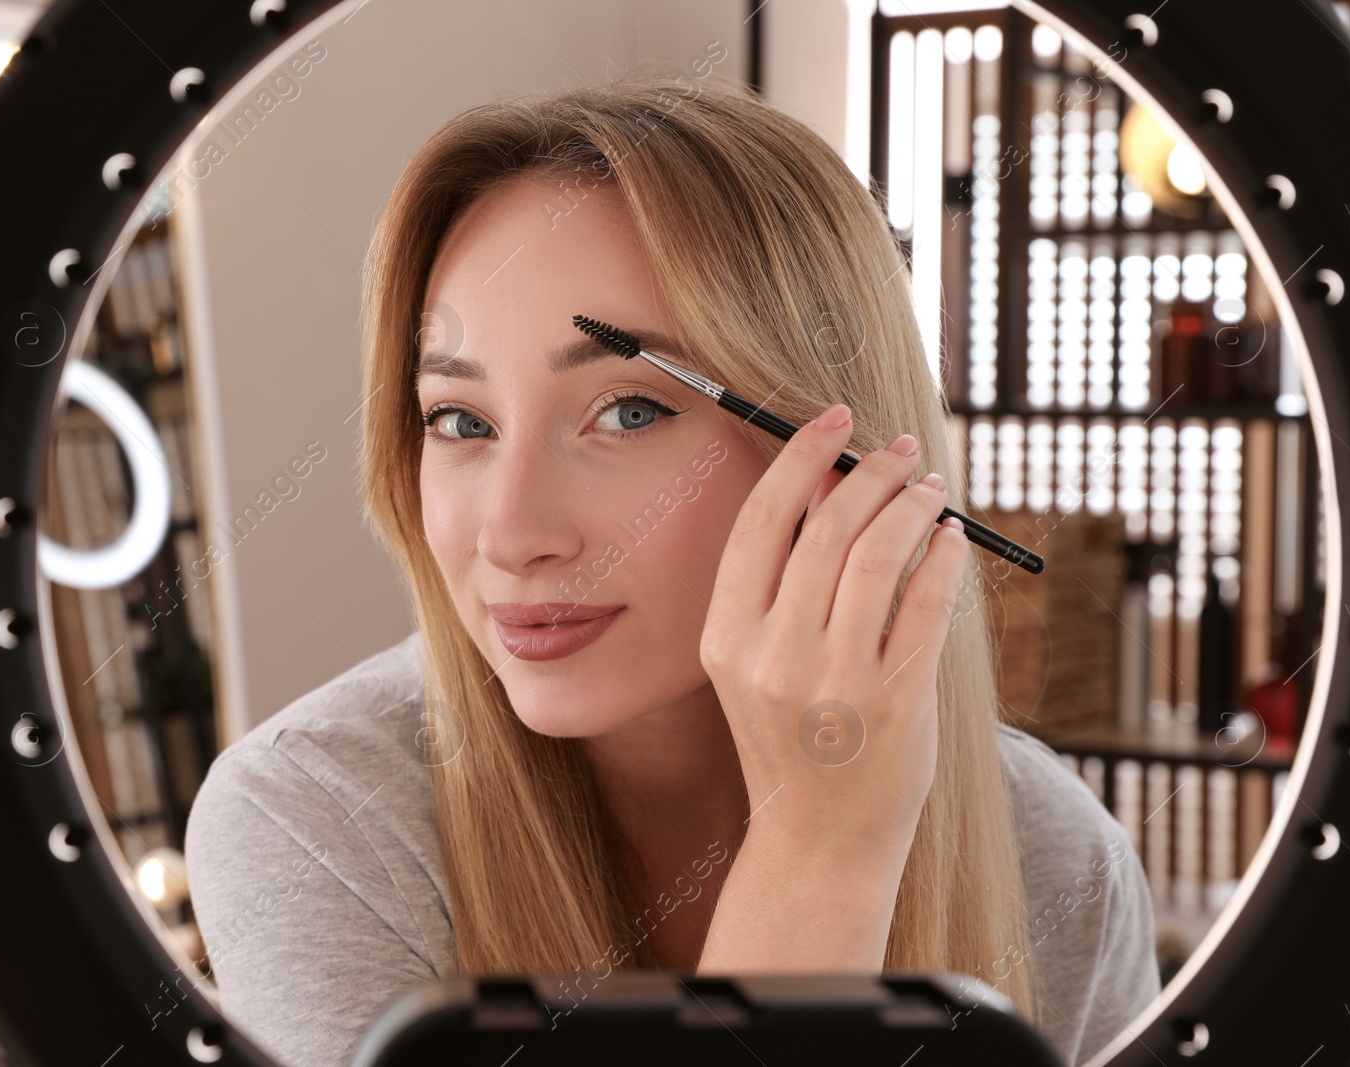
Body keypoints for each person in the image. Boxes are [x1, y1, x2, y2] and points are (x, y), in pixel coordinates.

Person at [184, 67, 1159, 1067]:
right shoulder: (315, 821)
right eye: (459, 420)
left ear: (843, 463)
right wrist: (817, 855)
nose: (511, 534)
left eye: (629, 411)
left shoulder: (1055, 855)